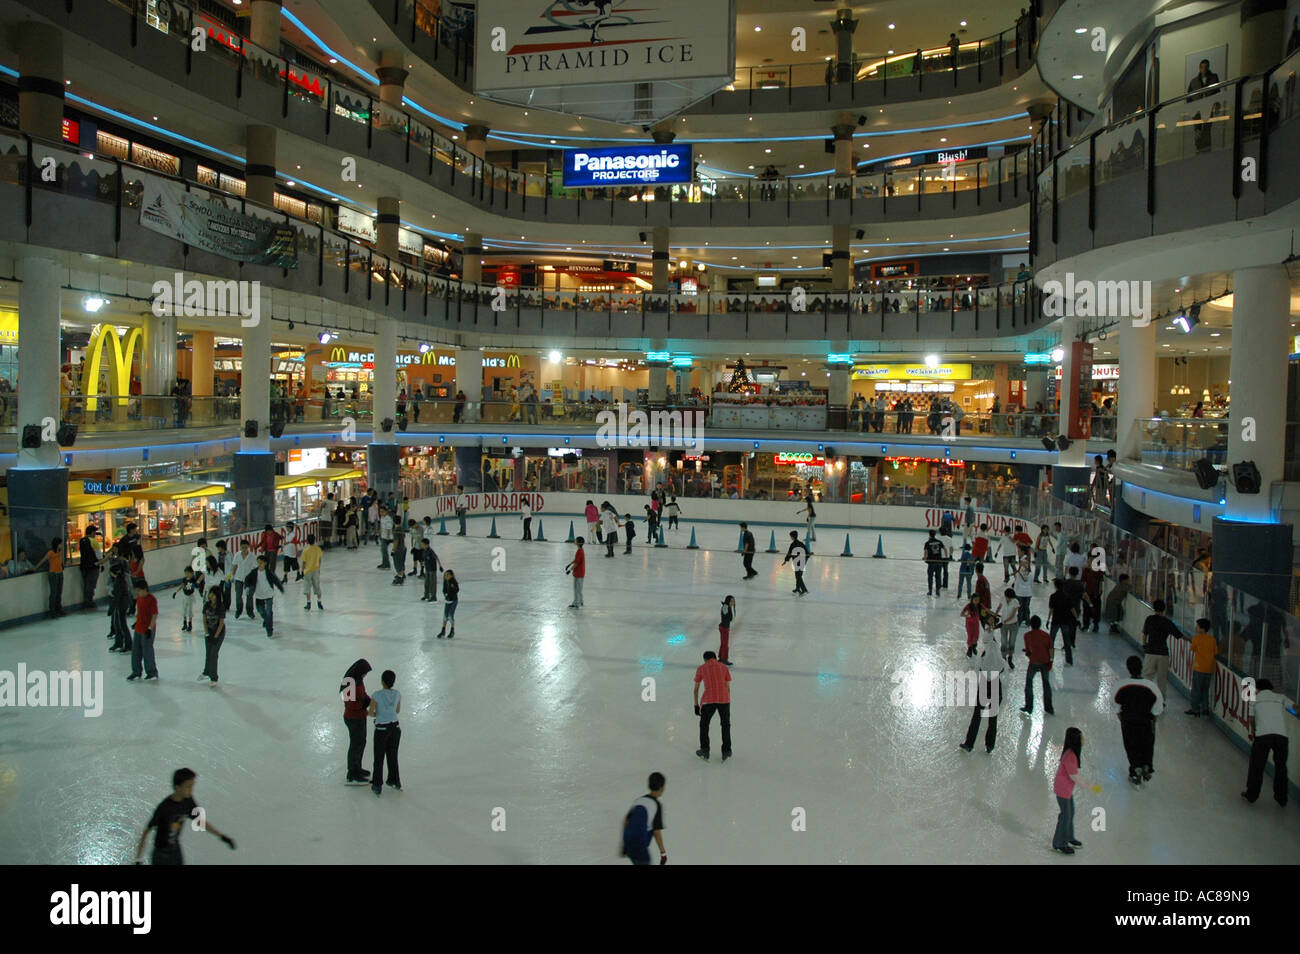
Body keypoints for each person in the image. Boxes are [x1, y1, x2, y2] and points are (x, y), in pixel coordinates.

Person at [135, 768, 235, 865]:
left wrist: (221, 836)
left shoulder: (188, 801)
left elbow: (200, 821)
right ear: (177, 787)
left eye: (192, 786)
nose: (191, 790)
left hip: (175, 850)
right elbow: (147, 831)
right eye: (188, 786)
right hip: (162, 855)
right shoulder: (164, 808)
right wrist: (139, 858)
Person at [1112, 655, 1163, 786]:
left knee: (1131, 746)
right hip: (1146, 722)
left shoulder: (1120, 686)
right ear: (1141, 668)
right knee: (1147, 745)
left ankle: (1135, 769)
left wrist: (1123, 721)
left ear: (1128, 668)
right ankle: (1146, 765)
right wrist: (1151, 720)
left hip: (1128, 722)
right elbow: (1157, 709)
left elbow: (1116, 707)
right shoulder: (1152, 686)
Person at [1242, 678, 1289, 806]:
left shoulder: (1254, 699)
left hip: (1263, 735)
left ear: (1257, 689)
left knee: (1257, 766)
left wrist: (1253, 732)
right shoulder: (1281, 698)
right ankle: (1281, 798)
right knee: (1281, 767)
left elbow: (1251, 719)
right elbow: (1294, 708)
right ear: (1271, 688)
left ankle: (1251, 795)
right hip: (1281, 736)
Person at [1051, 727, 1096, 855]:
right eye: (1081, 738)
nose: (1083, 740)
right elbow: (1074, 776)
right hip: (1063, 790)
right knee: (1066, 816)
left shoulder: (1071, 754)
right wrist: (1089, 786)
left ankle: (1068, 837)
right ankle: (1059, 843)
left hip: (1066, 789)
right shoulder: (1070, 756)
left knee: (1069, 814)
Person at [958, 630, 1003, 754]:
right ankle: (990, 745)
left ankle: (969, 744)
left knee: (977, 716)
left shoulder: (986, 654)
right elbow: (1001, 668)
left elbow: (979, 670)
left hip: (985, 686)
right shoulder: (997, 651)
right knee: (992, 718)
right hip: (996, 686)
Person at [620, 773, 667, 865]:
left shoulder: (638, 801)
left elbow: (625, 821)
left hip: (628, 841)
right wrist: (663, 853)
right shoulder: (656, 805)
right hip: (639, 844)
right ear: (662, 788)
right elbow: (656, 832)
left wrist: (625, 844)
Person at [693, 650, 732, 762]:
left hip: (709, 700)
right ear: (715, 658)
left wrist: (696, 705)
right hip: (724, 699)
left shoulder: (701, 668)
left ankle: (705, 750)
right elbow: (727, 686)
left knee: (704, 725)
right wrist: (726, 700)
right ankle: (727, 750)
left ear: (705, 659)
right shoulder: (724, 667)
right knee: (725, 725)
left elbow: (696, 690)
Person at [368, 669, 402, 796]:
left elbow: (371, 713)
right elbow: (397, 710)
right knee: (392, 756)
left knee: (379, 757)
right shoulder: (398, 694)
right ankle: (394, 780)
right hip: (395, 729)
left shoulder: (376, 695)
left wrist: (378, 714)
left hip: (382, 730)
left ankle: (377, 784)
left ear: (382, 681)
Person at [340, 659, 373, 784]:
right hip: (353, 718)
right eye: (365, 673)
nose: (365, 675)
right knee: (355, 744)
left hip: (360, 717)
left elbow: (362, 695)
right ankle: (352, 772)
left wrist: (370, 701)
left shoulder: (358, 680)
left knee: (361, 743)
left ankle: (357, 768)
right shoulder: (349, 682)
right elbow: (349, 704)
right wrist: (364, 704)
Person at [1141, 598, 1178, 698]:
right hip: (1163, 653)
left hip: (1151, 651)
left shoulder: (1149, 619)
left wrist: (1144, 645)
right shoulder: (1167, 622)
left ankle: (1145, 697)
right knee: (1162, 678)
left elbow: (1144, 634)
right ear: (1164, 609)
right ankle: (1161, 700)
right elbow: (1179, 634)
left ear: (1154, 608)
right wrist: (1191, 640)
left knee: (1147, 676)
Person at [1020, 615, 1054, 714]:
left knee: (1029, 684)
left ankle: (1029, 707)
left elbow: (1028, 651)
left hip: (1034, 662)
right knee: (1046, 684)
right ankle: (1049, 708)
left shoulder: (1027, 635)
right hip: (1045, 661)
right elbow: (1051, 649)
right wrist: (1051, 661)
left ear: (1030, 624)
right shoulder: (1046, 636)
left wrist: (1028, 653)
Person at [127, 580, 159, 682]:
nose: (137, 593)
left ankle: (152, 672)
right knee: (136, 651)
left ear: (145, 589)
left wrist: (150, 628)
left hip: (147, 629)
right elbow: (140, 613)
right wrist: (136, 622)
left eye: (139, 591)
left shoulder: (152, 599)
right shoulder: (139, 598)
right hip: (139, 628)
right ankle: (136, 672)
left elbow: (154, 615)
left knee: (147, 651)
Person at [1186, 618, 1217, 717]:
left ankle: (1195, 709)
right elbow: (1216, 652)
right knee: (1205, 689)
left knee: (1196, 689)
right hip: (1209, 669)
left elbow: (1192, 649)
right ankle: (1205, 708)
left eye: (1197, 626)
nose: (1196, 628)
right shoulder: (1212, 639)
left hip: (1199, 668)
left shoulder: (1196, 638)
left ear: (1202, 629)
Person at [250, 554, 285, 638]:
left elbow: (276, 580)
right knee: (261, 611)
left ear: (265, 563)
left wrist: (281, 588)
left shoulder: (269, 572)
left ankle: (269, 629)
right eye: (258, 563)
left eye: (260, 563)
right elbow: (248, 579)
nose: (259, 564)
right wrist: (247, 586)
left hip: (269, 594)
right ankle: (266, 620)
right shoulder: (254, 572)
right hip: (259, 595)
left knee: (269, 612)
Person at [1047, 577, 1078, 667]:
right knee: (1067, 641)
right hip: (1065, 621)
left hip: (1055, 621)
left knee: (1051, 641)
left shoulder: (1053, 596)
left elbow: (1051, 610)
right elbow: (1072, 609)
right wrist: (1076, 618)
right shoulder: (1067, 596)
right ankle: (1069, 660)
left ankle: (1050, 659)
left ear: (1055, 586)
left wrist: (1048, 620)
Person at [199, 587, 227, 684]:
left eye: (213, 594)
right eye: (210, 593)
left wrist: (215, 637)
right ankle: (207, 671)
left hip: (219, 633)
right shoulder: (206, 605)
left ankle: (214, 677)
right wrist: (207, 633)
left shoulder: (221, 607)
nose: (210, 595)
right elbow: (204, 620)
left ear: (217, 596)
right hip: (209, 632)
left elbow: (221, 623)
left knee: (213, 654)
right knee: (208, 652)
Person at [33, 537, 66, 618]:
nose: (62, 545)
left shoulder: (60, 552)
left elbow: (60, 561)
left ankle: (58, 608)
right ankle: (52, 611)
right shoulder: (50, 553)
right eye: (60, 544)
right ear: (57, 544)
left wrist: (62, 565)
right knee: (53, 593)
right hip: (53, 574)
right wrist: (35, 568)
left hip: (60, 573)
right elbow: (43, 560)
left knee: (59, 592)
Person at [107, 561, 133, 653]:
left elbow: (117, 596)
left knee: (122, 625)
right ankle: (119, 643)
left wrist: (111, 608)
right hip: (121, 604)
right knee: (118, 624)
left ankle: (128, 644)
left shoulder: (120, 581)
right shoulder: (120, 579)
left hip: (121, 605)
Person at [231, 541, 258, 621]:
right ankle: (239, 610)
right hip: (239, 578)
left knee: (249, 596)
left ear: (248, 547)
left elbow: (254, 568)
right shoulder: (237, 555)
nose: (244, 549)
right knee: (238, 596)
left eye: (245, 547)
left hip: (249, 580)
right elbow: (235, 565)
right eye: (242, 547)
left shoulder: (252, 556)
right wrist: (233, 575)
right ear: (240, 547)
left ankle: (250, 611)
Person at [995, 587, 1021, 670]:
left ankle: (1010, 657)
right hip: (1004, 625)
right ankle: (1003, 659)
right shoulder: (1003, 599)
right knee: (1003, 641)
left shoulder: (1015, 602)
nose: (1008, 598)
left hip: (1013, 624)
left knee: (1011, 642)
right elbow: (999, 607)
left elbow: (1013, 615)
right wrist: (995, 614)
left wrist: (1005, 621)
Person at [300, 534, 324, 611]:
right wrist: (318, 567)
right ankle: (319, 601)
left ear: (307, 541)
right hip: (316, 570)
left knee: (307, 587)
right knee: (317, 586)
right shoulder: (318, 549)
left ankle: (308, 603)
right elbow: (320, 559)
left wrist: (302, 571)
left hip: (307, 571)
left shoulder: (306, 550)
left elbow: (304, 562)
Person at [79, 526, 101, 610]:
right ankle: (89, 602)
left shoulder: (82, 540)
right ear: (92, 533)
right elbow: (98, 555)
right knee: (91, 585)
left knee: (86, 584)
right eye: (95, 533)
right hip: (93, 566)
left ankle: (86, 601)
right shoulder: (93, 541)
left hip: (84, 566)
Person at [172, 566, 200, 632]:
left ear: (191, 573)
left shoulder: (193, 580)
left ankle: (190, 624)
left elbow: (197, 586)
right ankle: (184, 623)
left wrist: (199, 589)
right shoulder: (184, 579)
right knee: (184, 610)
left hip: (190, 596)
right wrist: (176, 592)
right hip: (185, 596)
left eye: (188, 573)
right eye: (185, 573)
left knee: (190, 610)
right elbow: (182, 585)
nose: (186, 574)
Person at [783, 530, 809, 596]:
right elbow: (807, 553)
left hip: (797, 562)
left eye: (790, 536)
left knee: (798, 576)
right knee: (798, 575)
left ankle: (804, 589)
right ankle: (797, 588)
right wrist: (806, 560)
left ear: (792, 537)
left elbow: (789, 553)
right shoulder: (801, 543)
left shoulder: (793, 544)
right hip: (802, 561)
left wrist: (785, 560)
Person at [437, 569, 459, 638]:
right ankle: (443, 630)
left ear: (451, 575)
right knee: (445, 616)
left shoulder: (453, 582)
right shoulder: (445, 582)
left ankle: (452, 630)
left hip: (453, 601)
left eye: (447, 575)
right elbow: (444, 590)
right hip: (447, 601)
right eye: (445, 575)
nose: (446, 576)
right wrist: (445, 595)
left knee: (450, 616)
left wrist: (451, 593)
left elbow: (457, 590)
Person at [923, 530, 946, 596]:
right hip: (939, 562)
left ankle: (930, 591)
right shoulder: (939, 542)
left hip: (931, 562)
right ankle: (937, 591)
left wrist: (925, 558)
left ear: (929, 535)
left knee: (930, 577)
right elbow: (944, 548)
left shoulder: (927, 543)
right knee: (938, 577)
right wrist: (946, 556)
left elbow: (925, 551)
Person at [566, 537, 586, 609]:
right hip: (579, 573)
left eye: (576, 540)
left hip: (579, 573)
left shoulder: (579, 551)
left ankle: (576, 604)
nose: (574, 541)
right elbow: (576, 560)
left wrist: (570, 570)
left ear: (578, 543)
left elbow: (576, 563)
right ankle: (580, 601)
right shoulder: (580, 550)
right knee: (579, 588)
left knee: (577, 589)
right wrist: (569, 564)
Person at [718, 595, 736, 667]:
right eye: (731, 601)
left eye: (733, 601)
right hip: (724, 628)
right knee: (725, 645)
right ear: (728, 601)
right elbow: (725, 615)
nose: (733, 603)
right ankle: (724, 659)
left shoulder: (727, 606)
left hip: (724, 627)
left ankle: (721, 658)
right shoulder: (726, 607)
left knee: (723, 644)